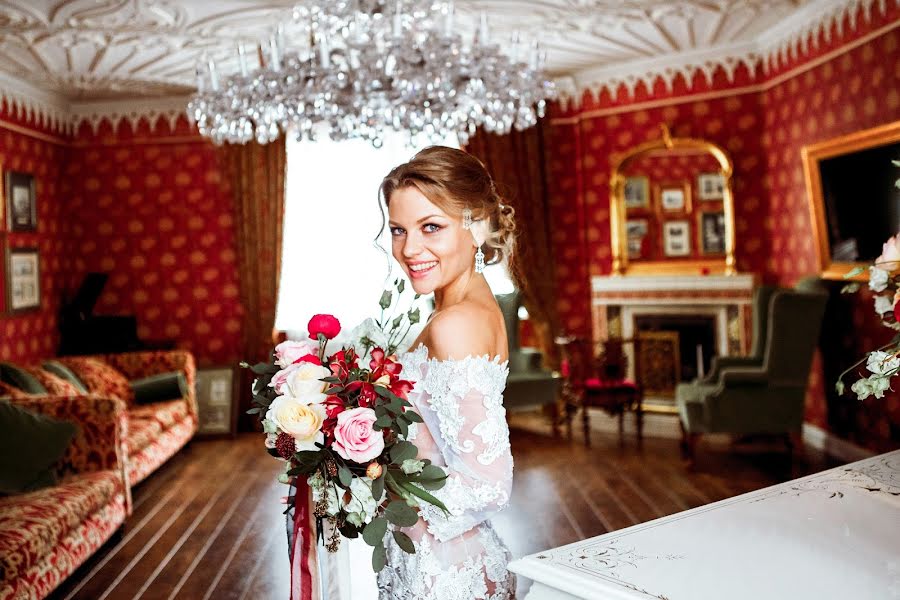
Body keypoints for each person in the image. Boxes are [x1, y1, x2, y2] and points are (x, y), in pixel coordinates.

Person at [376, 146, 517, 599]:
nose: (409, 249)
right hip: (435, 557)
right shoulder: (469, 307)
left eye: (430, 227)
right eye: (399, 230)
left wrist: (377, 481)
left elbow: (488, 484)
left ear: (476, 226)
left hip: (442, 574)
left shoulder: (455, 324)